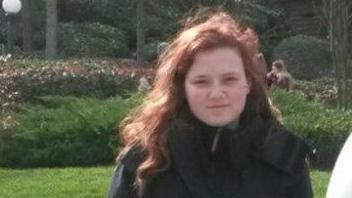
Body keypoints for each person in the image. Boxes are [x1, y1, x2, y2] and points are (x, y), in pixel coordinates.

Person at [108, 10, 313, 198]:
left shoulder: (284, 158)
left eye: (229, 79)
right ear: (182, 87)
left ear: (248, 83)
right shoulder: (144, 160)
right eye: (201, 81)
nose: (216, 94)